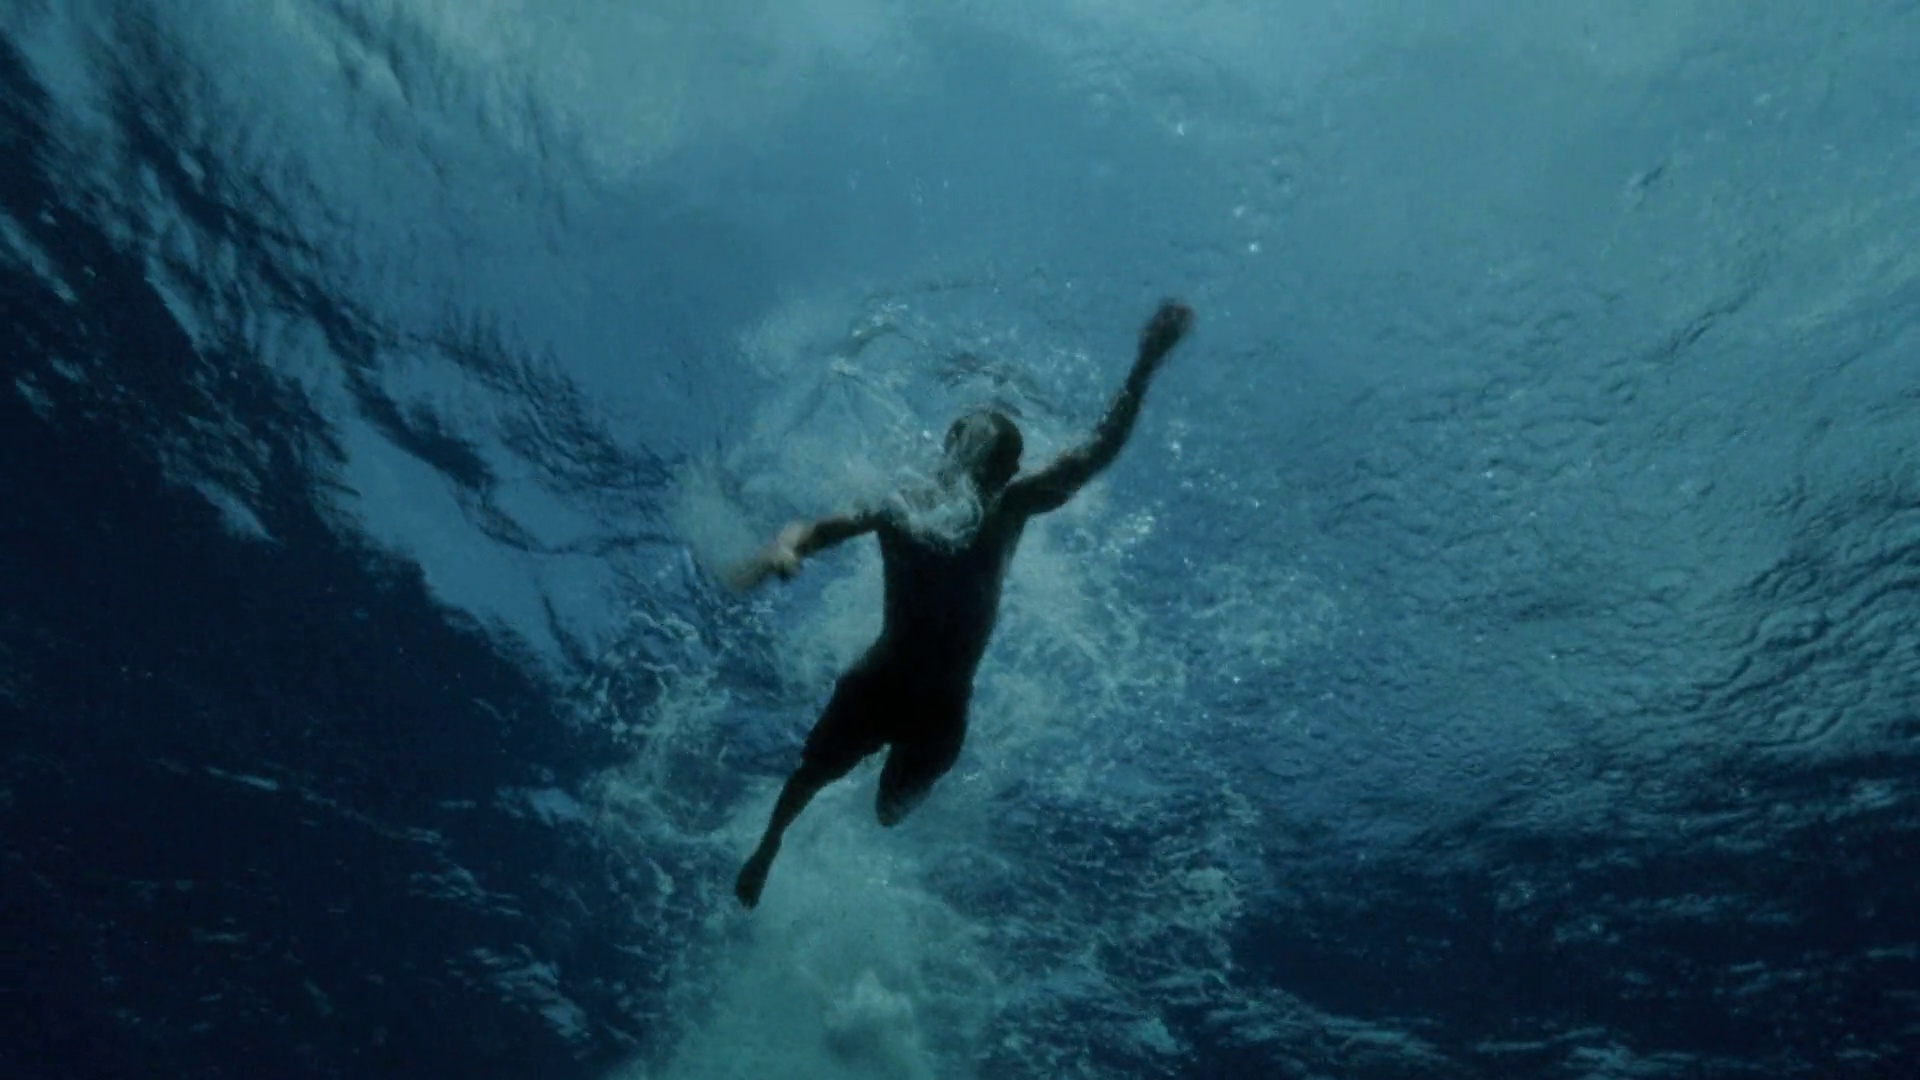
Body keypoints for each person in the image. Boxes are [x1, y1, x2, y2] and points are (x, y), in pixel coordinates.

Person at [725, 299, 1195, 908]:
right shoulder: (903, 506)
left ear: (1009, 474)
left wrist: (1145, 363)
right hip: (880, 682)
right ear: (951, 454)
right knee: (811, 776)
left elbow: (1097, 452)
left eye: (997, 470)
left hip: (943, 709)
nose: (984, 479)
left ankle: (849, 808)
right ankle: (768, 847)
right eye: (978, 462)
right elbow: (817, 528)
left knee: (890, 814)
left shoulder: (1011, 509)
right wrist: (783, 550)